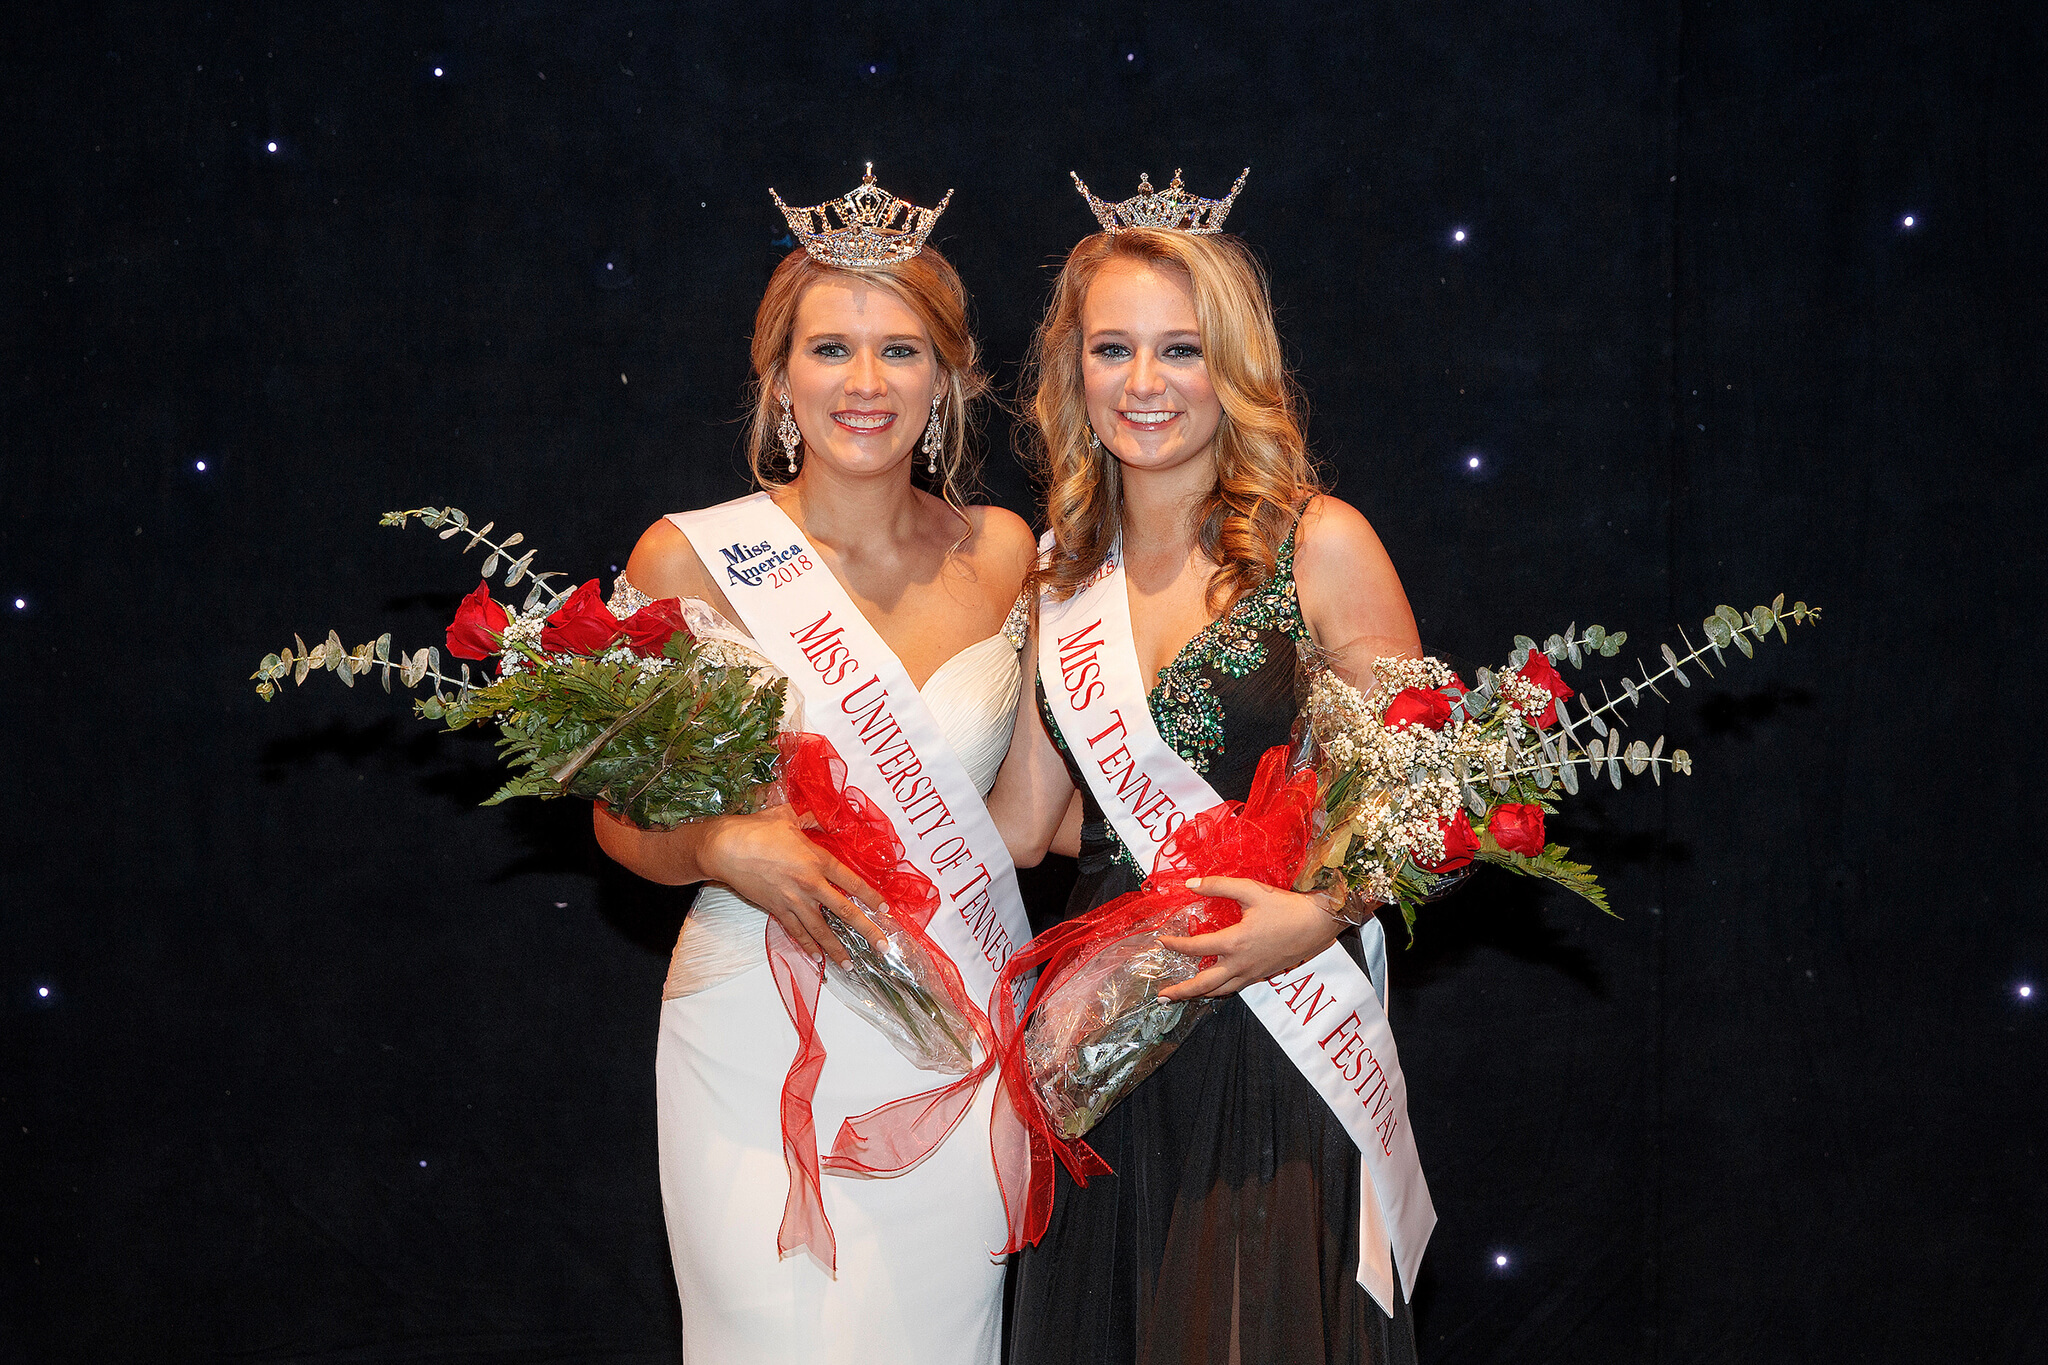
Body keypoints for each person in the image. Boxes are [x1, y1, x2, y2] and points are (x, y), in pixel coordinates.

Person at [593, 168, 1036, 1364]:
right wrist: (725, 845)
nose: (864, 382)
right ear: (779, 375)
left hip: (947, 1030)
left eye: (900, 352)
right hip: (748, 1024)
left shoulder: (1006, 556)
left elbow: (1031, 824)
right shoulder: (689, 556)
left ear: (943, 381)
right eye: (830, 348)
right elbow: (622, 825)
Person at [987, 172, 1426, 1364]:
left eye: (1179, 350)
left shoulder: (1318, 543)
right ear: (1071, 371)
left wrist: (1317, 914)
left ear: (1232, 366)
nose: (1143, 384)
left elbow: (1425, 796)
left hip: (1271, 1022)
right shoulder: (1051, 576)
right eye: (1111, 348)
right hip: (1112, 1032)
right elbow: (1025, 824)